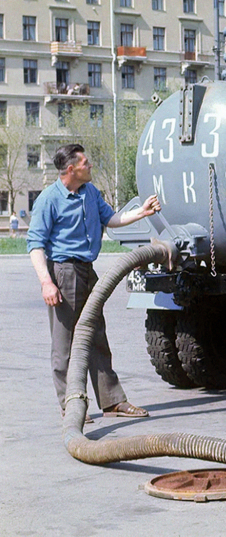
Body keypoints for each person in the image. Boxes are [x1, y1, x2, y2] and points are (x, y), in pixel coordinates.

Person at [27, 144, 161, 422]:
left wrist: (142, 212)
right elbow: (35, 245)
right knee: (64, 345)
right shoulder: (49, 199)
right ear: (71, 169)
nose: (90, 166)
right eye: (86, 163)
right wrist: (46, 283)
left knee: (96, 337)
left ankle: (112, 401)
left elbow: (111, 219)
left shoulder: (90, 192)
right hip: (63, 274)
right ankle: (71, 405)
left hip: (87, 272)